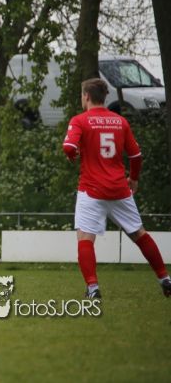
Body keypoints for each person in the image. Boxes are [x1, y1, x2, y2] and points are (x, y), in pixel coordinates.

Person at [63, 78, 171, 300]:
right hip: (119, 188)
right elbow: (136, 155)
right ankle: (165, 279)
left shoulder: (80, 120)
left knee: (85, 237)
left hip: (91, 190)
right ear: (105, 97)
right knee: (139, 233)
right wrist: (134, 178)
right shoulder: (120, 122)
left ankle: (93, 288)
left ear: (86, 96)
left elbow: (69, 146)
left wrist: (72, 154)